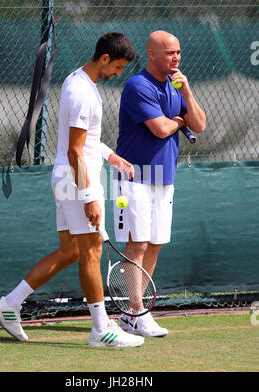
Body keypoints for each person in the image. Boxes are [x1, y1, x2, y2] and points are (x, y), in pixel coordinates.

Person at [0, 32, 144, 348]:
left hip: (71, 176)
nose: (119, 73)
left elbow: (86, 141)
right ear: (104, 58)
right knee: (91, 251)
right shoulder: (81, 92)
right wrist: (88, 197)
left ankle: (9, 304)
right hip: (77, 179)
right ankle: (101, 329)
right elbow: (75, 151)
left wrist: (110, 156)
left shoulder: (82, 84)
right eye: (118, 66)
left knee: (72, 250)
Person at [113, 30, 206, 337]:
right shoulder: (137, 85)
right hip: (133, 177)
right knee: (137, 244)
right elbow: (162, 128)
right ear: (151, 54)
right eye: (169, 53)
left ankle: (134, 314)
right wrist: (181, 120)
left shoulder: (176, 85)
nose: (176, 58)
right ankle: (135, 312)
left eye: (178, 52)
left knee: (153, 244)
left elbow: (201, 125)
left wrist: (188, 94)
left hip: (164, 179)